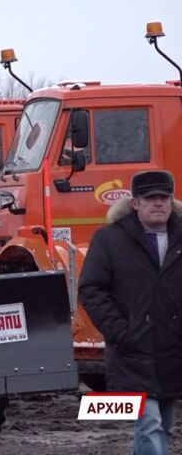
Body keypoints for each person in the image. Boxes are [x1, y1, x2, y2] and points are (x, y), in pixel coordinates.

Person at [79, 170, 182, 455]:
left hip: (173, 351)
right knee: (149, 424)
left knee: (164, 425)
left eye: (164, 197)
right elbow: (92, 289)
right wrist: (122, 332)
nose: (158, 203)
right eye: (150, 198)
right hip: (132, 353)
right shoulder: (109, 240)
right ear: (135, 203)